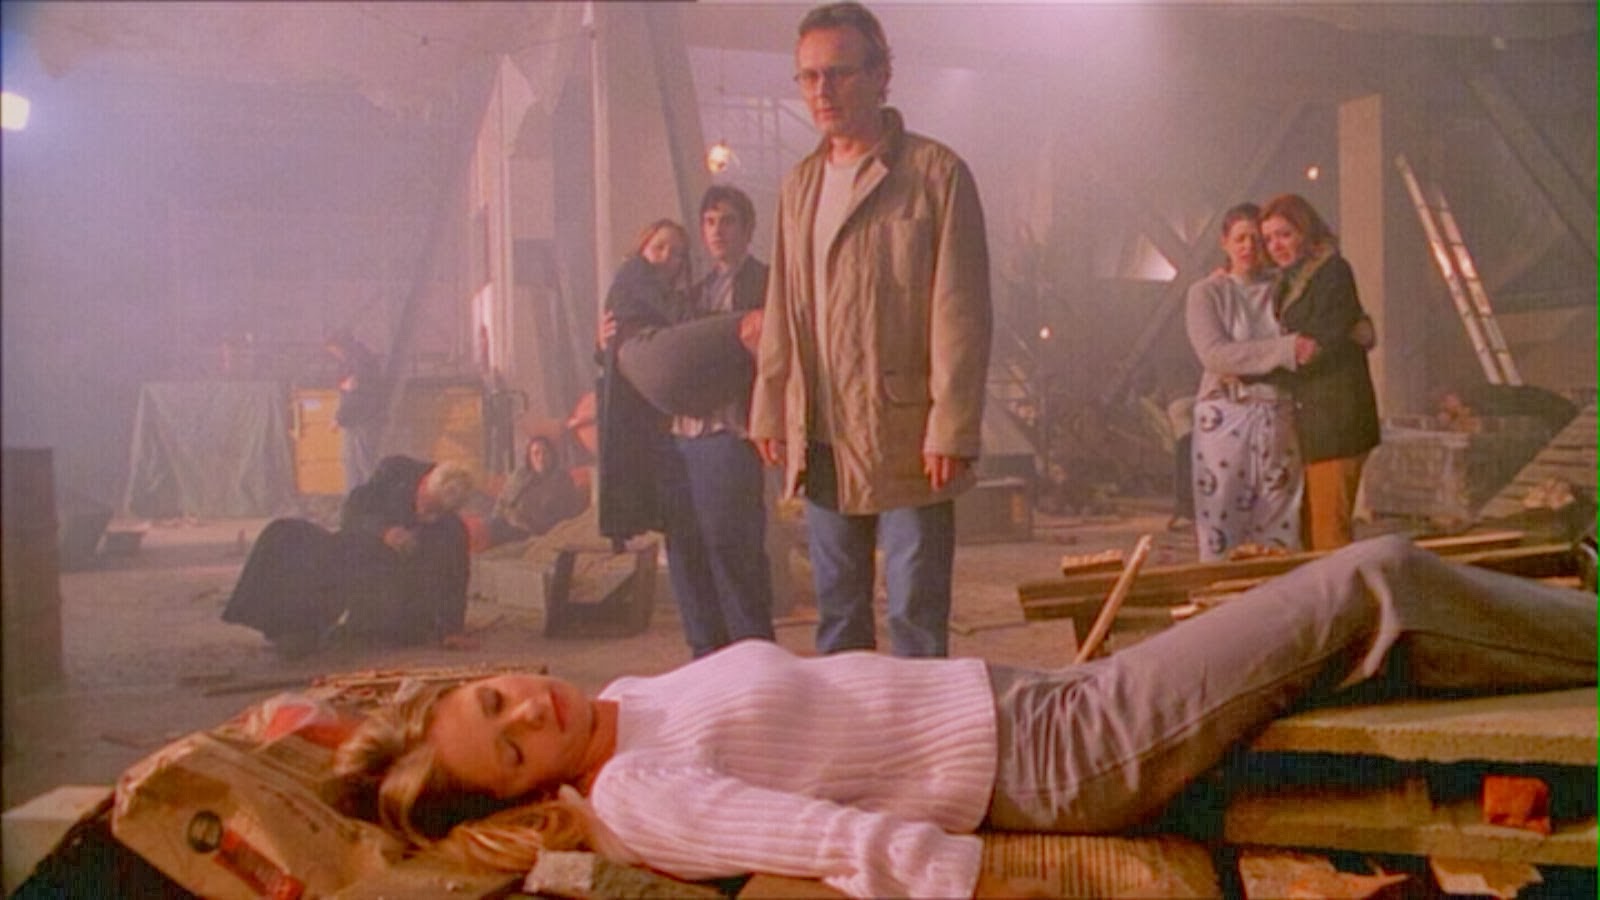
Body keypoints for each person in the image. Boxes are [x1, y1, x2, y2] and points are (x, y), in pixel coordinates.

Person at [333, 534, 1596, 898]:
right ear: (528, 788)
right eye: (511, 746)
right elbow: (828, 842)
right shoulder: (638, 792)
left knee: (1361, 647)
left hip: (1028, 704)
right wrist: (985, 879)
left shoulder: (621, 704)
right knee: (1369, 584)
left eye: (496, 698)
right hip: (1057, 759)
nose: (528, 708)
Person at [748, 1, 993, 658]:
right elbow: (783, 304)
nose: (821, 90)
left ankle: (925, 722)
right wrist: (770, 405)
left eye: (839, 72)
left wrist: (952, 425)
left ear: (883, 74)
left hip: (906, 430)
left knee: (915, 610)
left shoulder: (934, 175)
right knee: (839, 613)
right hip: (823, 429)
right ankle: (849, 722)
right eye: (808, 76)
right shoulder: (800, 186)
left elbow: (960, 312)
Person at [649, 186, 777, 657]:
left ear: (748, 228)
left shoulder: (768, 285)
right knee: (685, 549)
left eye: (727, 220)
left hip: (730, 433)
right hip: (682, 437)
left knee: (733, 548)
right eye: (709, 222)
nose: (717, 230)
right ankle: (705, 656)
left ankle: (753, 655)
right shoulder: (691, 294)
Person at [222, 456, 474, 657]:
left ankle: (353, 628)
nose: (426, 514)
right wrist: (383, 531)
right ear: (425, 484)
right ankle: (292, 626)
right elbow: (352, 511)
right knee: (286, 535)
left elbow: (456, 576)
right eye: (426, 505)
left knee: (399, 628)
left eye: (437, 512)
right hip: (354, 551)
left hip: (394, 584)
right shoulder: (394, 472)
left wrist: (453, 629)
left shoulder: (451, 527)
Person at [1184, 203, 1309, 561]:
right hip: (1225, 414)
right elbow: (1215, 355)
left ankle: (1276, 592)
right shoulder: (1206, 293)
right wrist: (1285, 350)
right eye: (1240, 239)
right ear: (1224, 242)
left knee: (1280, 517)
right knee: (1221, 516)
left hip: (1277, 413)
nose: (1248, 247)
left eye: (1257, 239)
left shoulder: (1285, 289)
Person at [1260, 193, 1381, 551]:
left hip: (1336, 421)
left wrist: (1252, 371)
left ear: (1305, 230)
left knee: (1329, 535)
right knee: (1312, 533)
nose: (1276, 245)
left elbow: (1316, 346)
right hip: (1314, 424)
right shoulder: (1287, 282)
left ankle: (1342, 590)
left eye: (1284, 234)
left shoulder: (1332, 272)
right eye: (1269, 238)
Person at [594, 220, 692, 547]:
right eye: (659, 247)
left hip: (642, 409)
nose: (666, 258)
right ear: (642, 248)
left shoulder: (648, 290)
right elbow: (673, 319)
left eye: (676, 253)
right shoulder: (635, 277)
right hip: (636, 410)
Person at [486, 436, 588, 547]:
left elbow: (567, 514)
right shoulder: (519, 476)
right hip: (508, 526)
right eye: (536, 453)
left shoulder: (562, 480)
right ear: (529, 457)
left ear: (552, 455)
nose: (541, 458)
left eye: (545, 453)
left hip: (536, 534)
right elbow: (502, 503)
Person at [324, 331, 388, 490]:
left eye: (334, 351)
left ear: (341, 347)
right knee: (360, 461)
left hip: (361, 419)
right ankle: (366, 497)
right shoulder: (362, 359)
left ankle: (362, 497)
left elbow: (353, 395)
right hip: (361, 419)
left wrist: (339, 418)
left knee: (358, 462)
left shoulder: (358, 363)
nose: (335, 355)